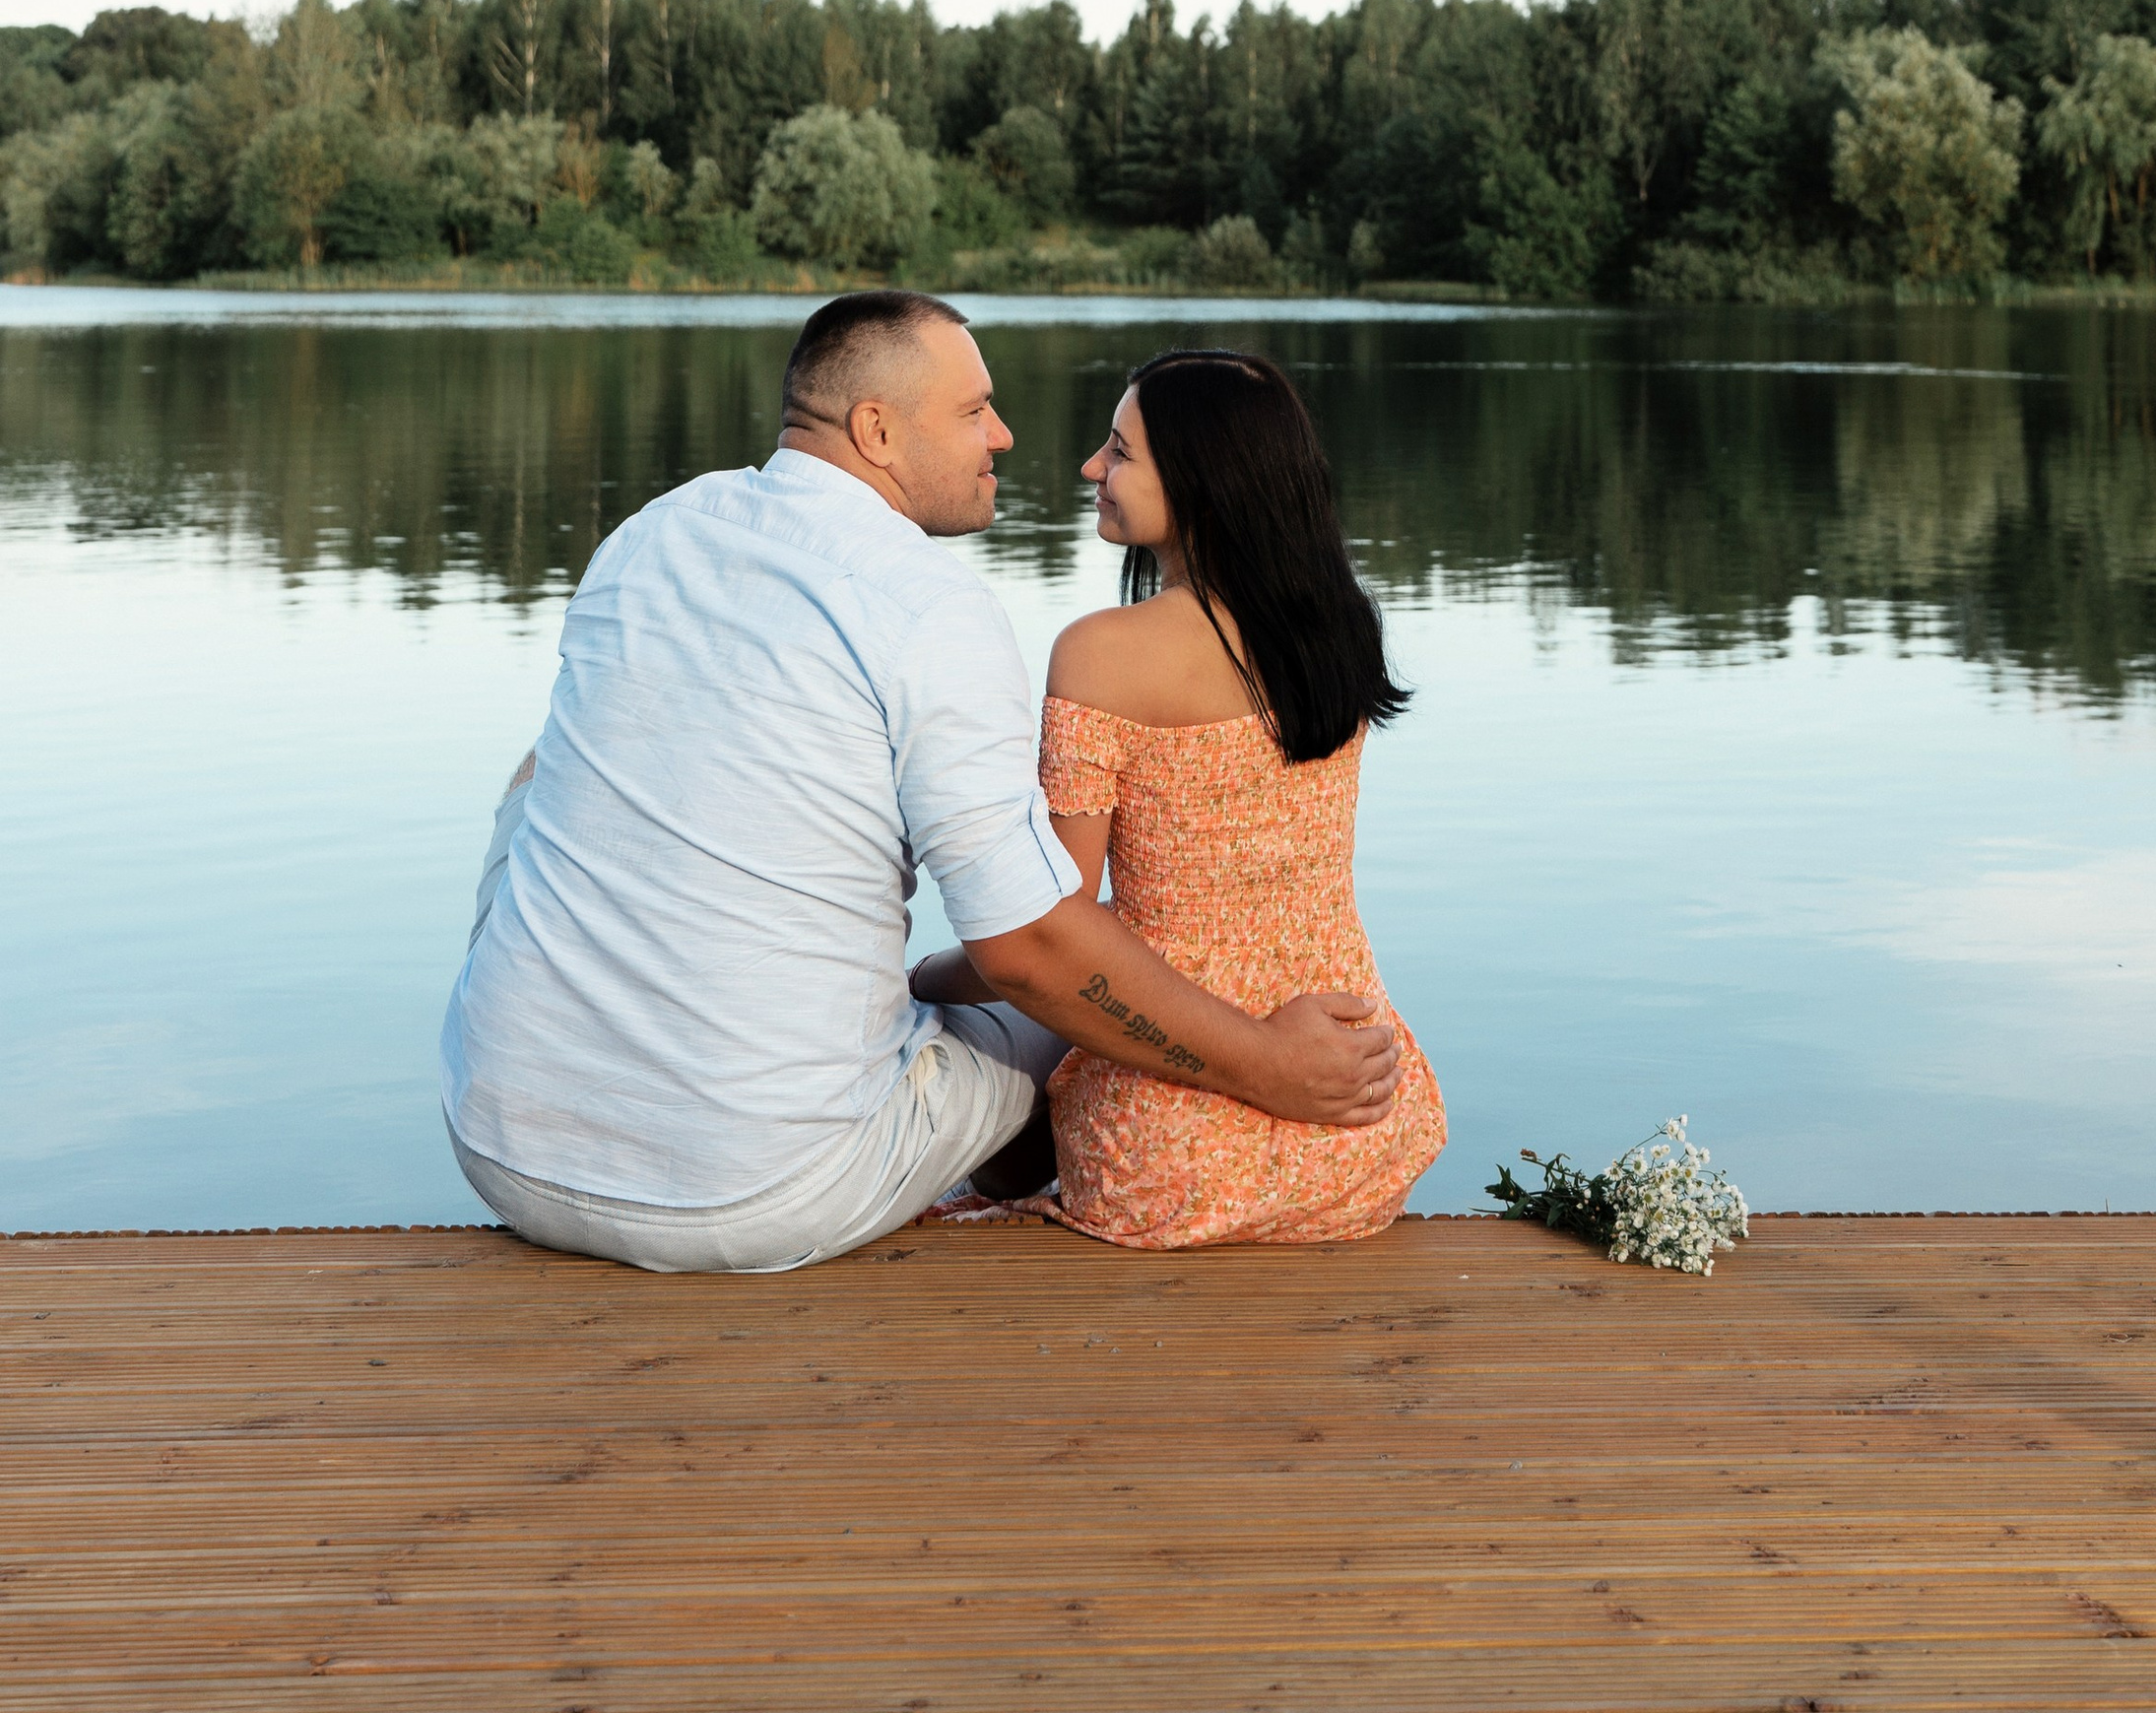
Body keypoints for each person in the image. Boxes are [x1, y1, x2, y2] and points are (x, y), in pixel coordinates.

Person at [438, 295, 1400, 1273]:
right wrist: (1273, 1064)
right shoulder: (927, 605)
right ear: (878, 429)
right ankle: (1034, 1201)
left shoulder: (654, 532)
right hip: (763, 1189)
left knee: (538, 778)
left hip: (502, 1148)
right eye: (973, 409)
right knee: (1060, 996)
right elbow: (1029, 950)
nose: (1005, 434)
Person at [913, 350, 1445, 1245]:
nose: (1092, 467)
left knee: (960, 1020)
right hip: (1361, 1116)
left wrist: (930, 977)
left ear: (1200, 481)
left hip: (1172, 1158)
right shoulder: (1338, 623)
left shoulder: (1102, 653)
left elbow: (1054, 918)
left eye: (1119, 451)